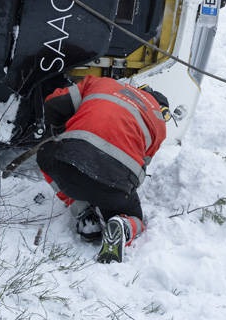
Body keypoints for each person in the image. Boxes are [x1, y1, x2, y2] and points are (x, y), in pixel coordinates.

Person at [36, 74, 170, 263]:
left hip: (68, 165)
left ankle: (84, 214)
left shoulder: (102, 83)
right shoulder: (159, 124)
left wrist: (62, 132)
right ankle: (124, 225)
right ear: (159, 106)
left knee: (45, 152)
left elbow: (53, 104)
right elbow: (141, 164)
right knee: (135, 218)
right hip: (113, 186)